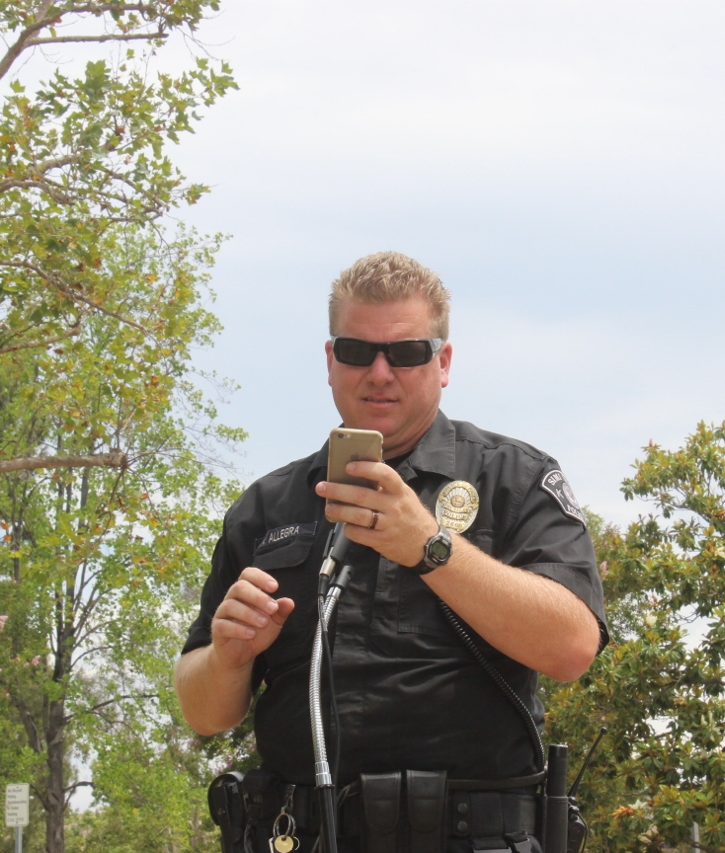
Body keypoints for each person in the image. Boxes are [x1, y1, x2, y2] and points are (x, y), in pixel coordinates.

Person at [174, 252, 606, 853]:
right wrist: (228, 656)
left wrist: (431, 548)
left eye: (405, 353)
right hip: (301, 835)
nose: (380, 372)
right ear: (330, 361)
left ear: (443, 362)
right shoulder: (267, 507)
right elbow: (203, 713)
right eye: (357, 351)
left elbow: (572, 646)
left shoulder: (513, 479)